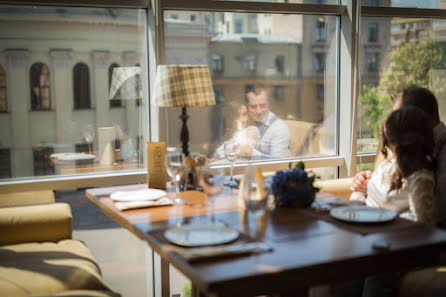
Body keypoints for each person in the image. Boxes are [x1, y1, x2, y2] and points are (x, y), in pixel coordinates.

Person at [351, 86, 446, 224]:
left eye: (399, 117)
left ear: (418, 118)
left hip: (395, 230)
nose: (392, 124)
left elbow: (432, 213)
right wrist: (367, 180)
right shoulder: (404, 143)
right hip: (367, 217)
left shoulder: (438, 152)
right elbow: (386, 178)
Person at [239, 85, 290, 159]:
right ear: (246, 106)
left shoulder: (279, 127)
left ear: (268, 104)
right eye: (253, 107)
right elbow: (230, 148)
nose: (258, 111)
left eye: (262, 106)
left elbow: (277, 163)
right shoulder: (245, 121)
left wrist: (251, 153)